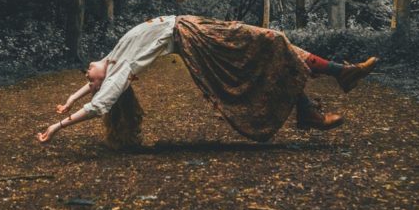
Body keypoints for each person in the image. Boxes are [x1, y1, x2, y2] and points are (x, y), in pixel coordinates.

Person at [37, 15, 377, 145]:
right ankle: (335, 78)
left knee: (277, 46)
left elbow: (89, 90)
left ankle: (329, 85)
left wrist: (68, 100)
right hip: (193, 37)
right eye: (91, 79)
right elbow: (98, 104)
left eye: (88, 78)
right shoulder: (119, 72)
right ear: (107, 81)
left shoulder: (113, 57)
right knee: (273, 40)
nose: (87, 74)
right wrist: (58, 126)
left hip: (190, 25)